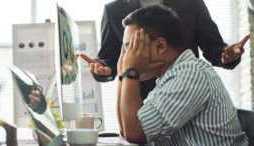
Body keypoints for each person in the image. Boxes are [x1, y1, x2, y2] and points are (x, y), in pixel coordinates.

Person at [116, 5, 248, 146]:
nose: (127, 56)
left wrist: (130, 72)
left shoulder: (190, 74)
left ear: (160, 46)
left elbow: (134, 133)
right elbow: (126, 130)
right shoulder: (168, 81)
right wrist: (123, 75)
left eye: (132, 46)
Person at [80, 0, 249, 100]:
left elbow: (213, 46)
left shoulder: (190, 2)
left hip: (186, 91)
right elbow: (107, 59)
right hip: (140, 99)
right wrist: (102, 69)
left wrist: (227, 56)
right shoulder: (113, 10)